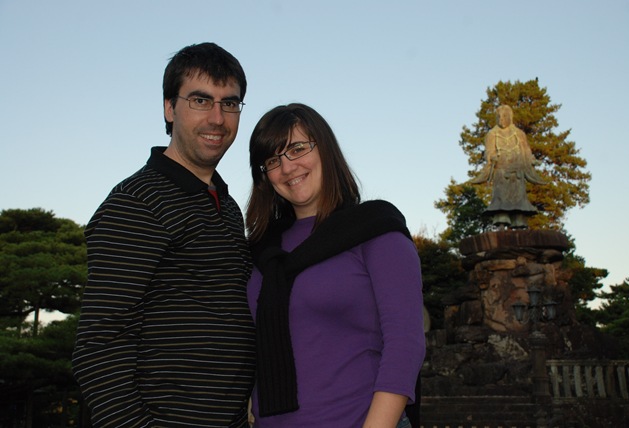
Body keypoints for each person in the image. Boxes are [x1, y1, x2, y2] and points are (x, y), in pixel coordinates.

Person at [72, 42, 255, 428]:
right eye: (201, 100)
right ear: (170, 108)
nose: (218, 118)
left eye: (230, 103)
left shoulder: (226, 205)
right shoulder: (137, 200)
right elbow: (98, 345)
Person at [245, 103, 426, 427]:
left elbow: (405, 344)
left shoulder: (375, 229)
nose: (287, 167)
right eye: (272, 160)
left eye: (297, 149)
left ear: (325, 148)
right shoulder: (263, 251)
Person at [471, 104, 546, 228]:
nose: (502, 119)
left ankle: (519, 222)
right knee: (501, 197)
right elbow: (488, 151)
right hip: (501, 171)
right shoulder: (492, 134)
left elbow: (526, 151)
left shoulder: (519, 134)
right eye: (499, 117)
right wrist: (491, 156)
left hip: (517, 171)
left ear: (510, 116)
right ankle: (501, 221)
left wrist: (532, 160)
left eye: (505, 116)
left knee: (518, 197)